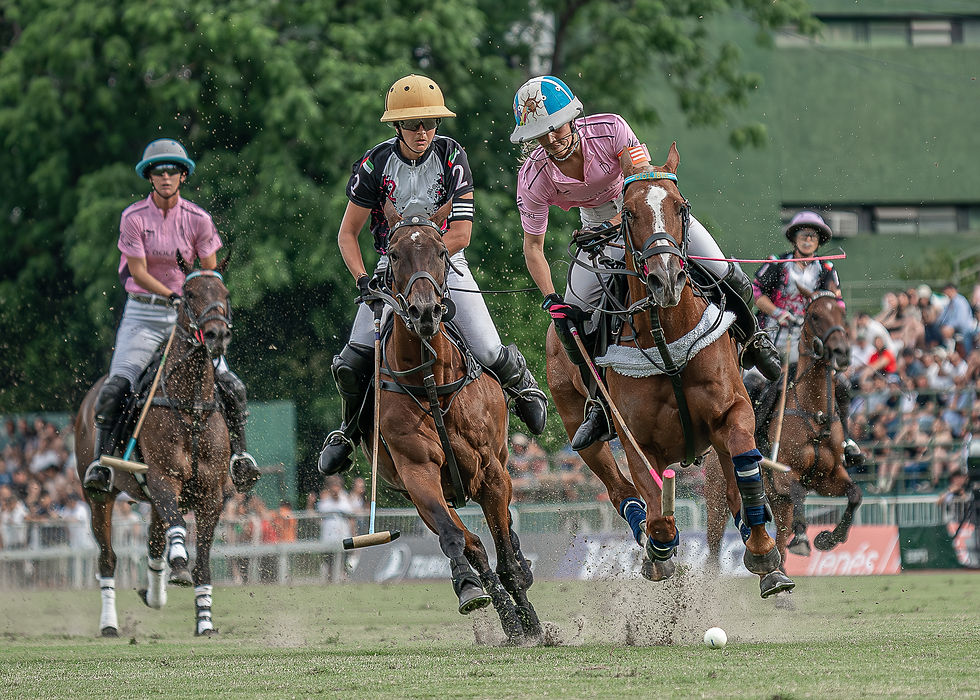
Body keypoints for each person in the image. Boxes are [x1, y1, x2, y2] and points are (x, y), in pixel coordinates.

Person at [510, 75, 782, 451]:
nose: (552, 138)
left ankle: (753, 339)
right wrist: (550, 298)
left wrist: (616, 222)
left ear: (572, 118)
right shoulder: (532, 177)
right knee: (571, 320)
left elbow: (642, 182)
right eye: (541, 134)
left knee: (725, 271)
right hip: (597, 232)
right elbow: (533, 247)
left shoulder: (611, 129)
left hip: (647, 210)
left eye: (555, 127)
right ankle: (601, 403)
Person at [318, 74, 548, 476]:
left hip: (446, 260)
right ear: (397, 126)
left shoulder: (451, 154)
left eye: (429, 123)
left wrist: (429, 265)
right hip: (394, 269)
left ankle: (522, 383)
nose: (422, 132)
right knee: (352, 362)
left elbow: (461, 233)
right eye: (412, 124)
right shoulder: (374, 164)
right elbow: (347, 234)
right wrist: (363, 279)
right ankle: (348, 430)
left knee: (487, 349)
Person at [81, 139, 260, 495]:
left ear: (182, 176)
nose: (166, 177)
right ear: (149, 176)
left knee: (231, 385)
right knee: (116, 389)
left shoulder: (199, 220)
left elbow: (210, 276)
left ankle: (240, 457)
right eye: (159, 171)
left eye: (172, 171)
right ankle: (102, 464)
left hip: (188, 319)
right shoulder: (133, 218)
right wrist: (173, 295)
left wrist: (198, 304)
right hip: (144, 315)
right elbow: (138, 271)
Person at [749, 210, 863, 467]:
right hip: (774, 335)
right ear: (794, 239)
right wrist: (778, 313)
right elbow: (756, 292)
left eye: (813, 235)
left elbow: (837, 303)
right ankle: (755, 439)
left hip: (811, 341)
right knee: (758, 386)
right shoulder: (777, 264)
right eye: (803, 234)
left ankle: (846, 441)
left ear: (819, 241)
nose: (808, 239)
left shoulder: (826, 269)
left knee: (841, 385)